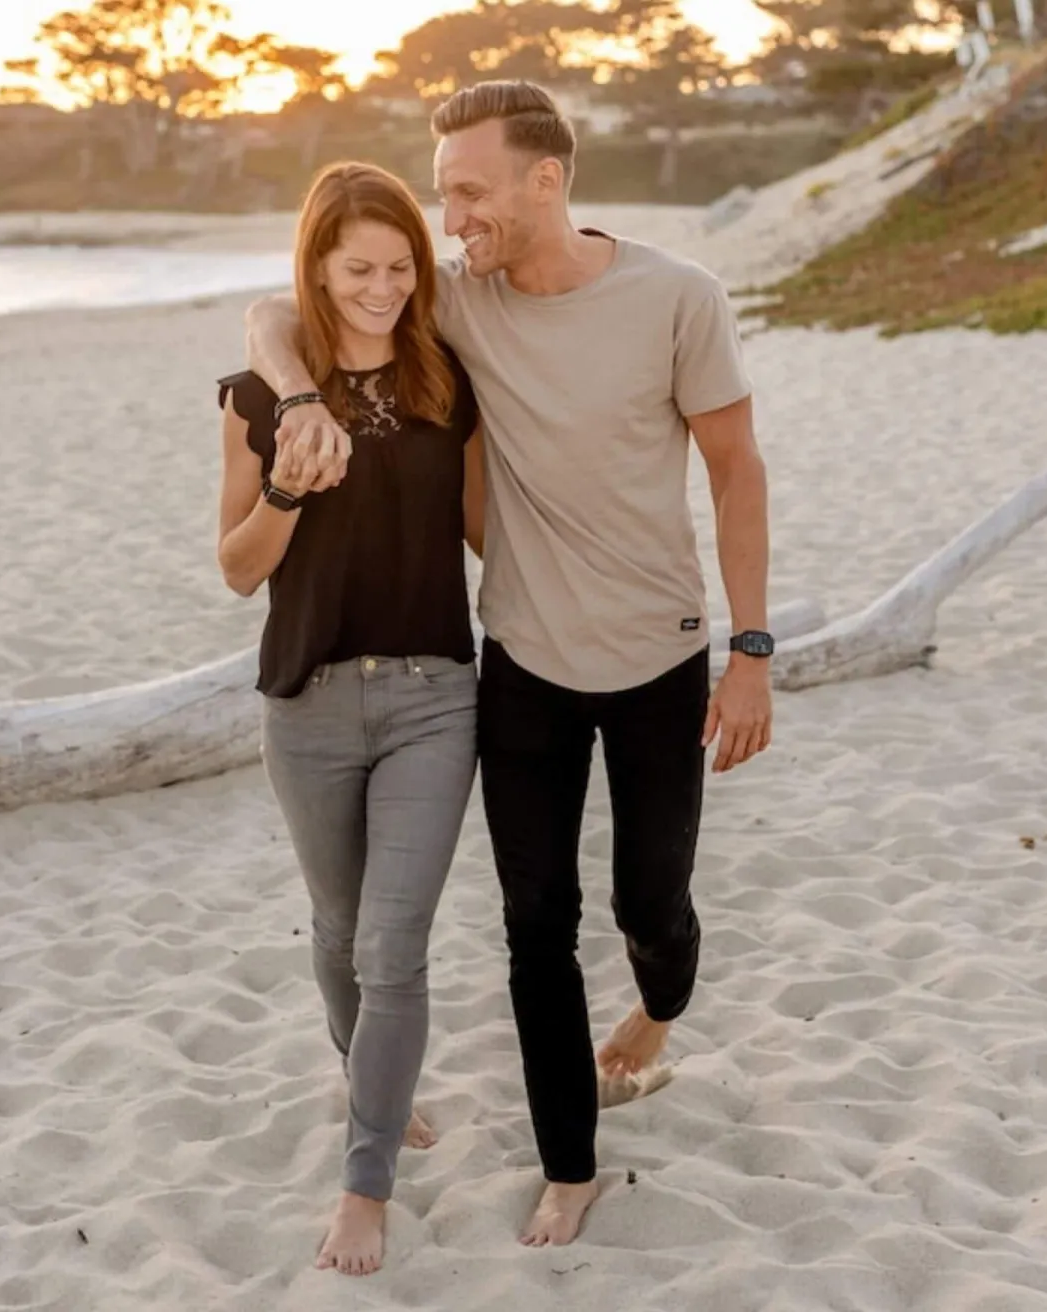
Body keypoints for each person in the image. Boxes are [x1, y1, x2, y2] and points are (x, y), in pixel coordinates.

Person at [244, 80, 773, 1249]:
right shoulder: (463, 306)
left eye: (472, 191)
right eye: (445, 194)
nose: (454, 218)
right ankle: (570, 1161)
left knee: (652, 905)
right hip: (523, 662)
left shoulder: (678, 296)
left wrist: (751, 649)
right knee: (536, 922)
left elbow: (738, 471)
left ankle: (661, 1005)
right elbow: (283, 313)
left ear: (547, 178)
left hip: (664, 655)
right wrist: (289, 396)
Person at [216, 160, 486, 1277]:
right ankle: (369, 1071)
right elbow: (236, 571)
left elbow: (490, 536)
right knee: (335, 932)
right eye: (359, 268)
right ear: (317, 272)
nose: (382, 287)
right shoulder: (258, 392)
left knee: (392, 944)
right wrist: (285, 482)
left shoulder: (447, 382)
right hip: (308, 702)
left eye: (400, 267)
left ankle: (364, 1180)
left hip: (434, 695)